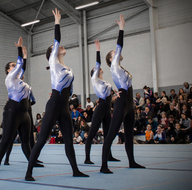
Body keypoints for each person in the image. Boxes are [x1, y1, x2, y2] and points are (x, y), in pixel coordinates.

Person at [25, 9, 89, 181]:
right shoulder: (53, 63)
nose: (61, 47)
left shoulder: (69, 69)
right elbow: (57, 40)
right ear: (52, 54)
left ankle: (75, 170)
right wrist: (57, 22)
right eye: (58, 48)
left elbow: (71, 89)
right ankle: (28, 172)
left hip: (64, 108)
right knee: (41, 140)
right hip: (53, 106)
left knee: (69, 141)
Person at [100, 15, 145, 173]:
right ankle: (103, 165)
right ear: (112, 58)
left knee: (129, 134)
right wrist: (121, 27)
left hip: (129, 104)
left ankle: (132, 161)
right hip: (121, 104)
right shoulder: (114, 66)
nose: (117, 52)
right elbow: (119, 46)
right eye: (114, 52)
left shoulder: (120, 68)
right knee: (112, 133)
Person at [0, 37, 42, 171]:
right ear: (8, 70)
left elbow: (22, 67)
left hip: (24, 113)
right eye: (12, 66)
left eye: (15, 65)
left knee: (26, 141)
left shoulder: (20, 80)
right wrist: (19, 49)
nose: (15, 66)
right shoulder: (9, 78)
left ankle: (32, 162)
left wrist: (25, 57)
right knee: (6, 139)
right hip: (12, 112)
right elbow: (20, 66)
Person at [85, 39, 120, 165]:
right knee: (92, 133)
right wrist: (98, 50)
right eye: (97, 68)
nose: (99, 68)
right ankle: (87, 157)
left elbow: (109, 93)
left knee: (108, 133)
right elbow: (98, 63)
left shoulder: (105, 81)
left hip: (107, 109)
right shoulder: (95, 79)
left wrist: (116, 95)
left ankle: (109, 155)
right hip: (100, 109)